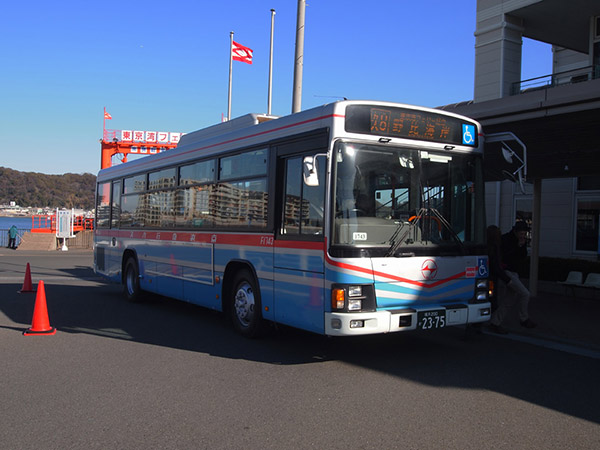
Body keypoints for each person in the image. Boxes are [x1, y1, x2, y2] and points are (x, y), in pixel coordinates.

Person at [488, 221, 537, 334]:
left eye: (524, 234)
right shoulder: (506, 240)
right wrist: (519, 246)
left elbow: (522, 256)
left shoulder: (519, 241)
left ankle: (495, 322)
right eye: (521, 233)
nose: (523, 236)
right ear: (515, 232)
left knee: (509, 299)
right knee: (525, 293)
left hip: (513, 272)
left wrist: (521, 246)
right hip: (507, 272)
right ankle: (523, 318)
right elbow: (505, 256)